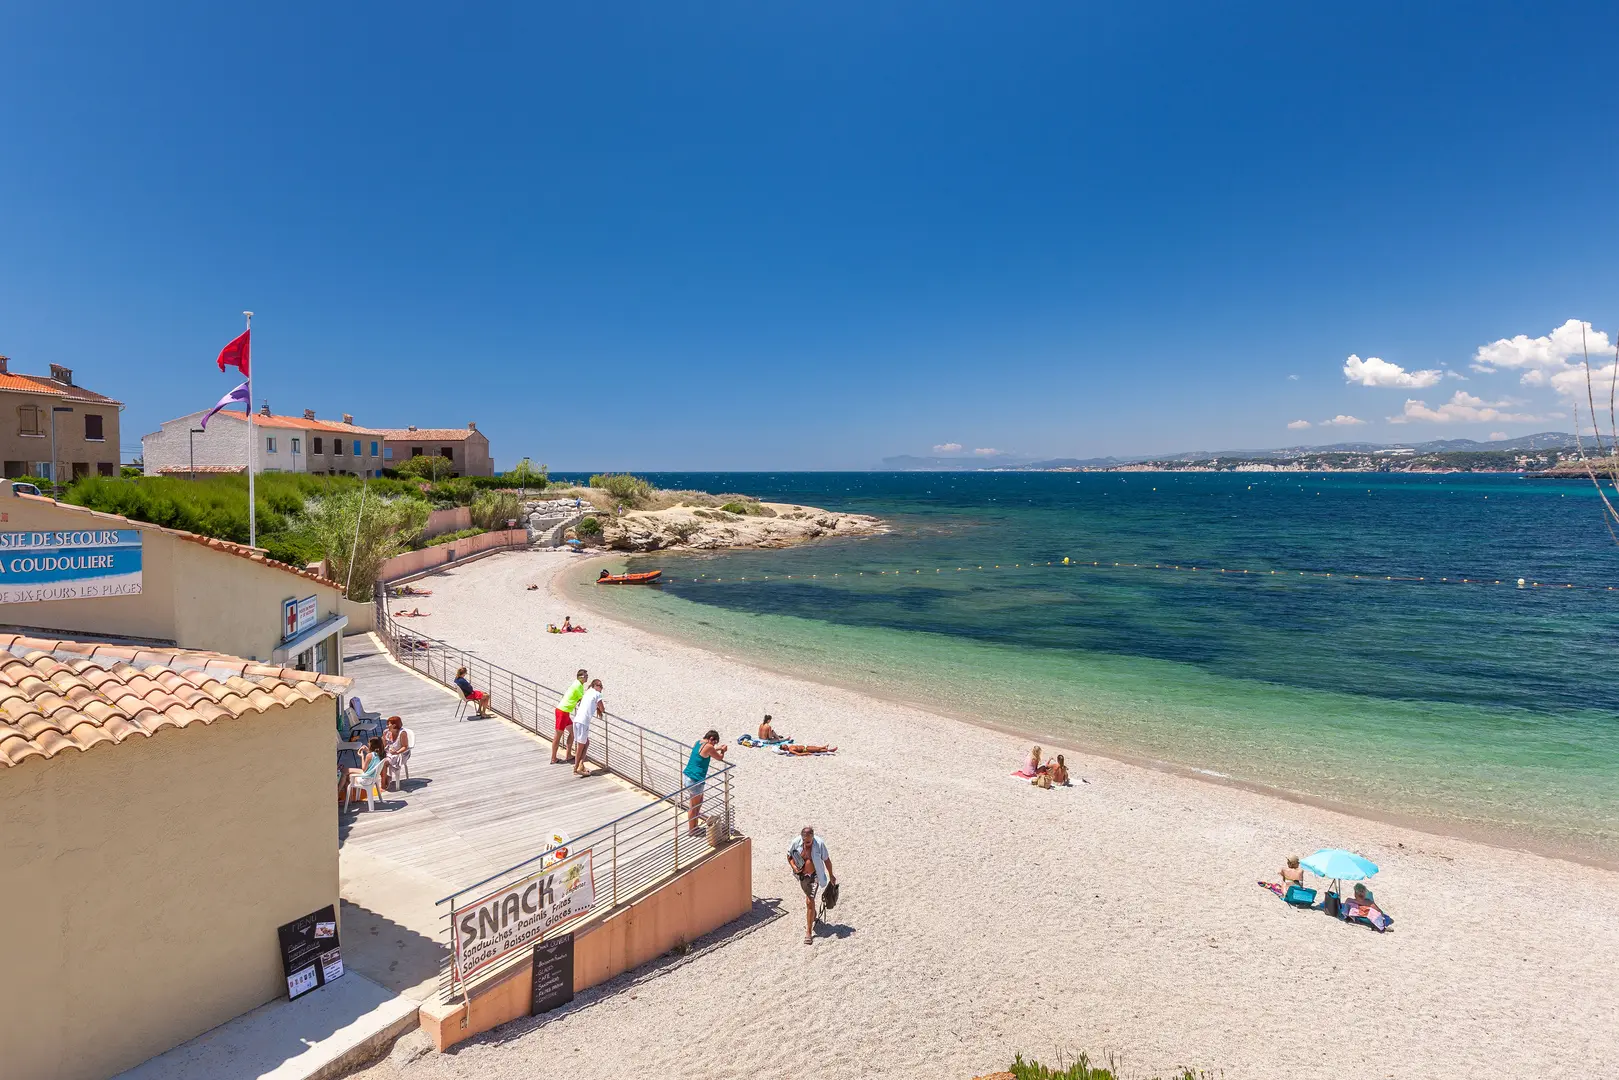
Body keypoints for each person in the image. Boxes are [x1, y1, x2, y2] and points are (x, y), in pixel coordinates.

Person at [787, 826, 836, 945]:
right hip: (802, 877)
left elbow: (827, 860)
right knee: (810, 899)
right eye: (804, 841)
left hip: (815, 877)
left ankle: (808, 932)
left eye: (808, 841)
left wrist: (831, 875)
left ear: (813, 837)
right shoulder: (796, 842)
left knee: (809, 901)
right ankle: (813, 915)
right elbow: (789, 856)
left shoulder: (819, 844)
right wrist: (794, 867)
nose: (806, 843)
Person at [682, 729, 726, 835]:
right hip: (695, 779)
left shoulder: (698, 742)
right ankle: (692, 830)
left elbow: (708, 750)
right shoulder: (709, 747)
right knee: (694, 806)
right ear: (711, 739)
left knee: (699, 802)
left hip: (690, 776)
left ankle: (695, 827)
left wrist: (717, 748)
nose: (714, 744)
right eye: (715, 742)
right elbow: (719, 757)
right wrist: (723, 751)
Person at [552, 668, 587, 764]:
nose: (587, 678)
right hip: (562, 711)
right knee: (558, 735)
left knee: (573, 733)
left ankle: (568, 755)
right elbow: (583, 699)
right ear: (580, 677)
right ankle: (553, 758)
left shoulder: (577, 684)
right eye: (585, 676)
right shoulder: (578, 686)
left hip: (565, 712)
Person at [572, 679, 604, 776]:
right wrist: (599, 709)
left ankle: (581, 764)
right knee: (580, 746)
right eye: (600, 686)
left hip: (577, 719)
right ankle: (576, 767)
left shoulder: (588, 692)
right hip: (583, 722)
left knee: (585, 743)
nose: (601, 688)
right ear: (595, 686)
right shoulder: (597, 694)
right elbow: (602, 708)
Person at [383, 716, 413, 787]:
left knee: (384, 762)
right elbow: (384, 745)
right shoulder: (386, 732)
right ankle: (385, 777)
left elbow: (405, 746)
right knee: (377, 760)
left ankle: (384, 782)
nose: (387, 726)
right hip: (389, 752)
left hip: (401, 754)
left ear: (394, 725)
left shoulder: (402, 733)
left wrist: (396, 752)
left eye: (389, 724)